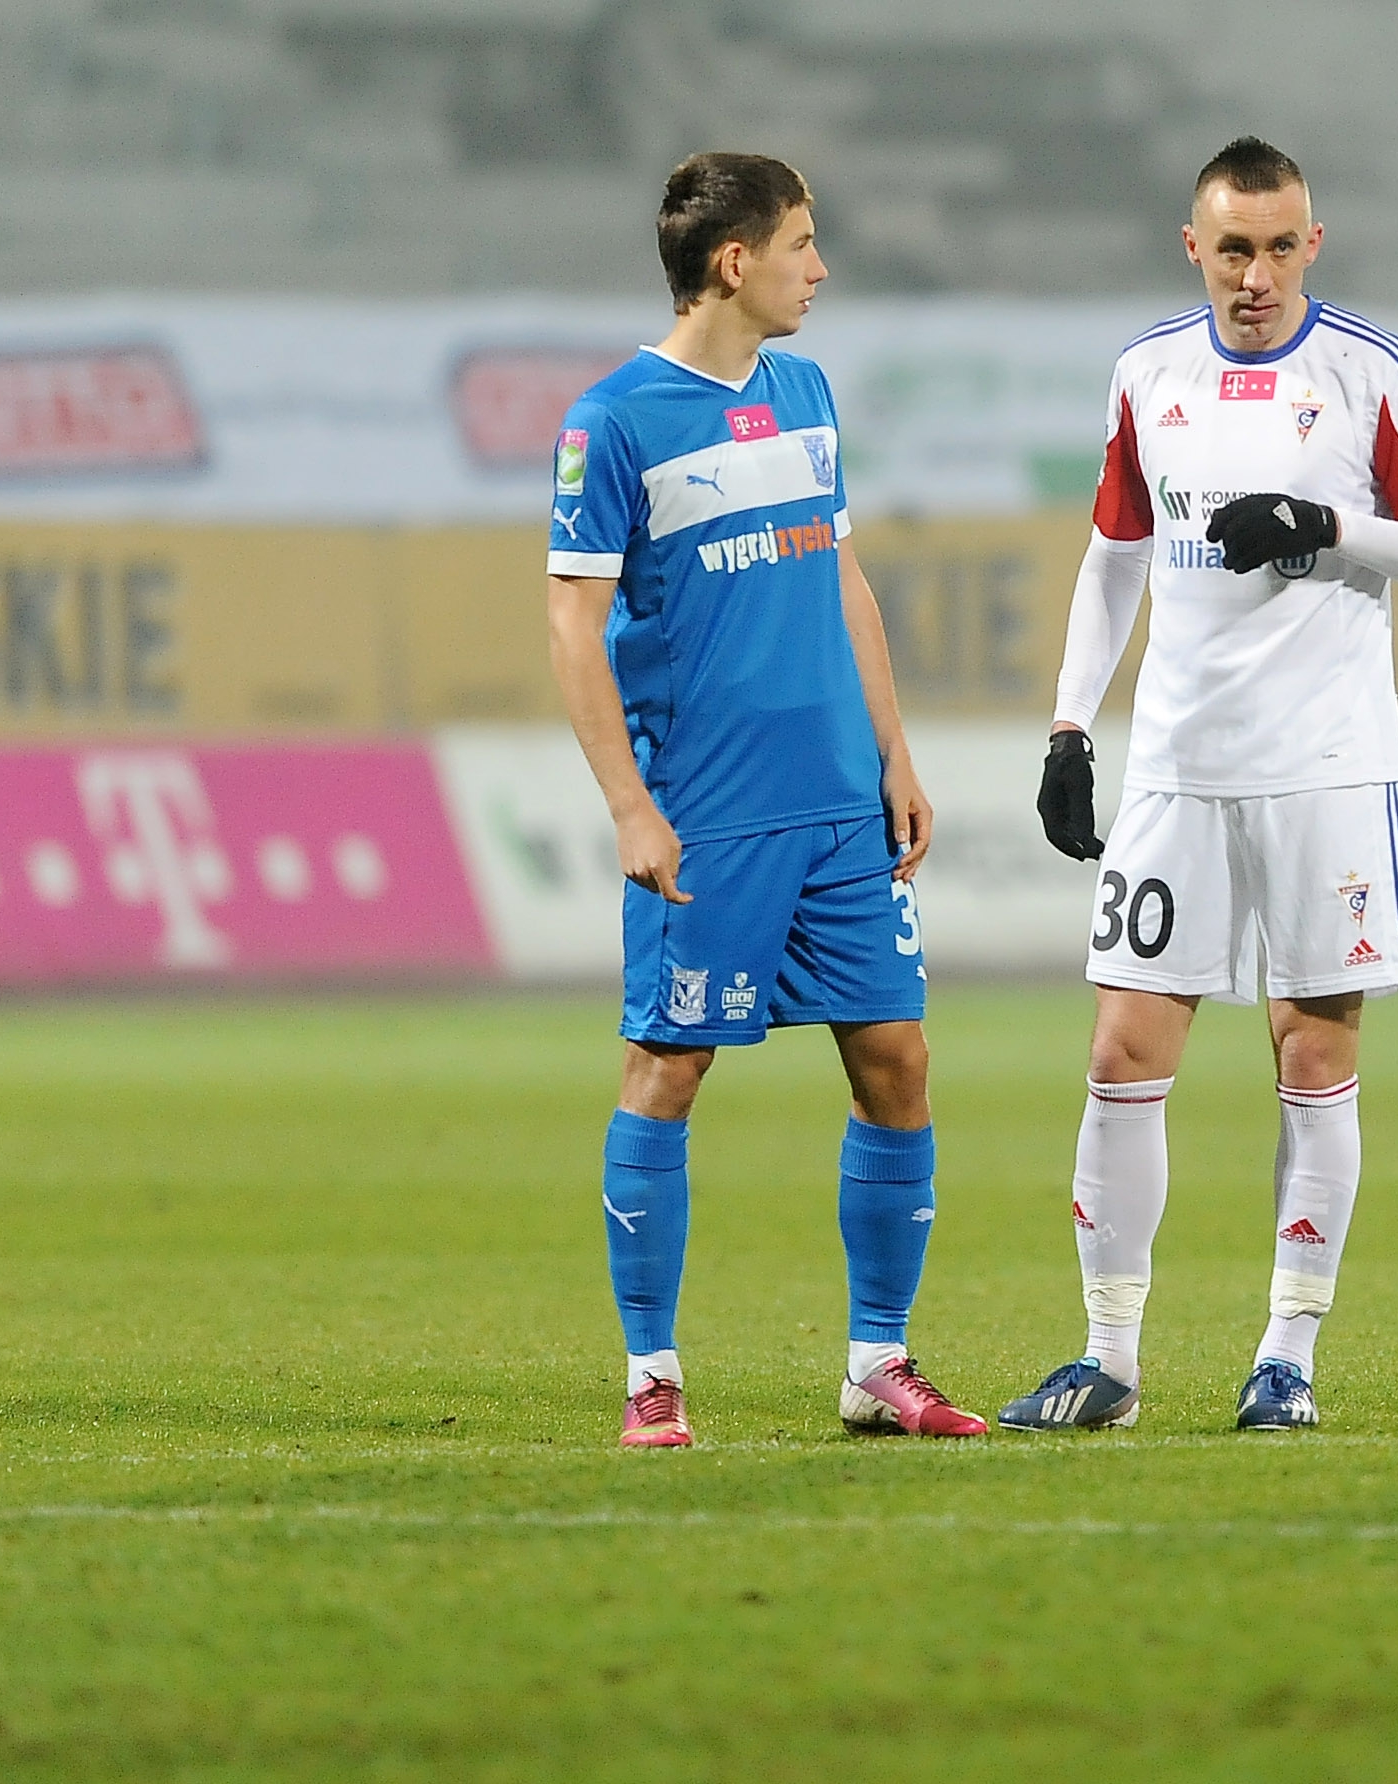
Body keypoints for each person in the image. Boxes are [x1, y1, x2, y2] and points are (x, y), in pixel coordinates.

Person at [999, 137, 1398, 1435]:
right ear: (1194, 247)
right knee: (1119, 1052)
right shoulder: (1147, 372)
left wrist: (1325, 527)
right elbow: (1113, 556)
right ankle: (1109, 1358)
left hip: (1325, 766)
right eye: (1234, 248)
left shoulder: (1374, 371)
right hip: (1175, 768)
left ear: (1311, 245)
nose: (1257, 275)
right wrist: (1069, 727)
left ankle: (1286, 1358)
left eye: (1280, 248)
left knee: (1311, 1050)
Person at [546, 152, 987, 1450]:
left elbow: (841, 577)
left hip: (839, 804)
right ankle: (651, 1373)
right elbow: (571, 626)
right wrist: (629, 807)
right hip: (710, 812)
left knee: (896, 1058)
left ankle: (877, 1361)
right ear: (734, 261)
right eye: (801, 241)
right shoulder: (612, 423)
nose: (819, 267)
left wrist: (893, 754)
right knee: (668, 1066)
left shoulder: (804, 392)